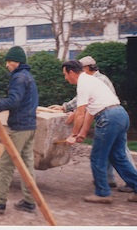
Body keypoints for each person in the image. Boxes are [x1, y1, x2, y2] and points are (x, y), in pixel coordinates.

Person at [49, 56, 136, 193]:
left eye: (65, 74)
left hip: (109, 117)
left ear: (71, 72)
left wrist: (73, 135)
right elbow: (90, 111)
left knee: (97, 157)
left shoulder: (83, 83)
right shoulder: (91, 80)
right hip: (120, 115)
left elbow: (80, 113)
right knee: (118, 156)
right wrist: (82, 133)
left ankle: (102, 194)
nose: (65, 78)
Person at [0, 46, 39, 214]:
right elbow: (20, 100)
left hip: (19, 128)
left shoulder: (18, 78)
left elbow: (14, 101)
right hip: (29, 126)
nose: (7, 65)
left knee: (6, 165)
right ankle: (29, 201)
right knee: (27, 166)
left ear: (16, 62)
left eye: (9, 61)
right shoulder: (27, 76)